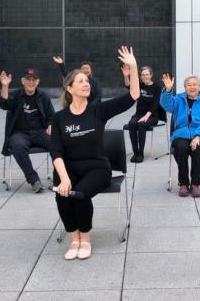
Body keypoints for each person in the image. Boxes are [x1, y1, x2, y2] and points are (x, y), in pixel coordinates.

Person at [50, 46, 140, 260]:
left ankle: (85, 239)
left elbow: (133, 95)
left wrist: (134, 66)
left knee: (79, 194)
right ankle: (74, 239)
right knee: (63, 194)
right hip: (68, 168)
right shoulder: (59, 118)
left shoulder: (98, 110)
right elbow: (56, 150)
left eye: (87, 81)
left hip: (97, 168)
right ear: (69, 89)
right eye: (80, 81)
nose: (86, 83)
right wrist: (63, 178)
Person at [0, 68, 55, 193]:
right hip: (20, 133)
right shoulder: (15, 95)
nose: (31, 82)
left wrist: (51, 124)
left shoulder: (43, 96)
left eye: (34, 79)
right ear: (22, 81)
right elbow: (4, 104)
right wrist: (5, 86)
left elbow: (52, 116)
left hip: (40, 132)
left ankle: (59, 177)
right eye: (28, 79)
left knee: (57, 142)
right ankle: (34, 180)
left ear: (38, 81)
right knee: (17, 146)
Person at [160, 74, 200, 197]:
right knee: (182, 147)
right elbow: (166, 105)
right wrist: (168, 90)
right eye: (189, 85)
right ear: (185, 87)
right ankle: (183, 183)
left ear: (199, 87)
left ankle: (195, 184)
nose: (192, 87)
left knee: (198, 148)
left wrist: (198, 136)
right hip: (181, 133)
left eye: (195, 85)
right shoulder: (178, 100)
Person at [121, 64, 162, 163]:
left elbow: (155, 104)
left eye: (147, 74)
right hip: (139, 114)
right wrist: (126, 76)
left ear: (151, 75)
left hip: (152, 116)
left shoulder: (157, 88)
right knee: (132, 123)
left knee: (141, 124)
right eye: (143, 75)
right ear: (140, 76)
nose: (145, 77)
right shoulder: (139, 85)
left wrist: (146, 116)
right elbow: (128, 86)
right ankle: (135, 152)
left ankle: (141, 153)